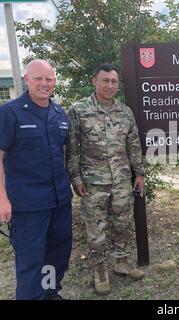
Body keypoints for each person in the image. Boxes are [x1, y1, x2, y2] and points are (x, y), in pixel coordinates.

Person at [67, 63, 145, 295]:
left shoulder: (125, 112)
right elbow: (71, 149)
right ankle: (100, 269)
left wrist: (139, 173)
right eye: (105, 81)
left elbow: (133, 145)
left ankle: (122, 262)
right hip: (92, 183)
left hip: (122, 180)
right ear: (94, 81)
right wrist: (76, 178)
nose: (110, 86)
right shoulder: (78, 110)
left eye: (114, 81)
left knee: (122, 224)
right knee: (96, 228)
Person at [0, 59, 73, 300]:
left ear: (54, 82)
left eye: (49, 79)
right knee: (31, 259)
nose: (44, 83)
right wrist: (2, 199)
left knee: (57, 252)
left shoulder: (59, 113)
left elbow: (62, 154)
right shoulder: (10, 112)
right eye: (39, 78)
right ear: (26, 80)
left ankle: (50, 292)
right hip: (28, 204)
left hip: (59, 201)